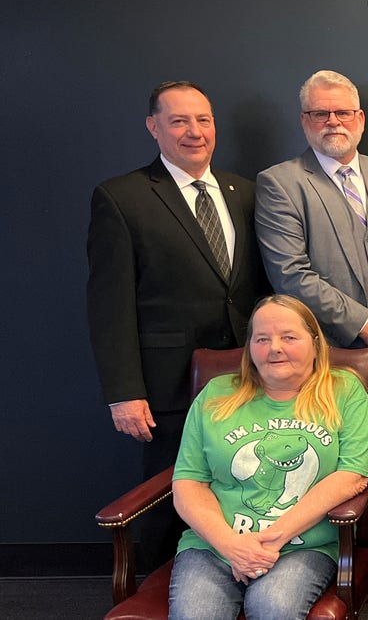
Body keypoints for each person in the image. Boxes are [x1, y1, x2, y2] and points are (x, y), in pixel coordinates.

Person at [87, 80, 270, 565]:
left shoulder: (246, 193)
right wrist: (124, 391)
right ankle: (161, 591)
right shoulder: (122, 198)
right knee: (171, 495)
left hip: (246, 373)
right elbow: (110, 305)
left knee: (243, 485)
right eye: (179, 121)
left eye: (203, 120)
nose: (195, 132)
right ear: (153, 127)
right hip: (168, 384)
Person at [168, 294, 368, 619]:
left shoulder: (344, 391)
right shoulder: (216, 394)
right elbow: (189, 483)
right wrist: (231, 546)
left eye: (289, 337)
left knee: (273, 606)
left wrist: (269, 541)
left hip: (305, 545)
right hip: (214, 544)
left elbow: (352, 476)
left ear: (316, 343)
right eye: (262, 339)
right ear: (250, 347)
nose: (274, 347)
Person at [256, 69, 368, 476]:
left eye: (343, 113)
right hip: (325, 360)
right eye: (320, 113)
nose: (333, 122)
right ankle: (334, 545)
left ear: (360, 119)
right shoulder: (280, 183)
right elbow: (291, 274)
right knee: (329, 470)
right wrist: (364, 325)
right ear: (304, 121)